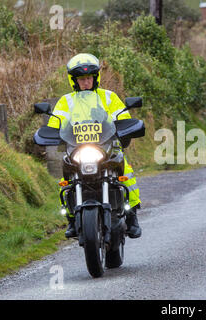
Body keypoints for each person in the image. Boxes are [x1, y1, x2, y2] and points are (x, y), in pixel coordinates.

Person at [47, 53, 142, 239]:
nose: (86, 82)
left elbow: (123, 119)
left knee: (127, 172)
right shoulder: (66, 101)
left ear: (95, 77)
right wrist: (49, 132)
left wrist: (127, 128)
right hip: (77, 149)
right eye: (81, 79)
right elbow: (55, 125)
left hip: (106, 147)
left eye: (89, 78)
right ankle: (72, 218)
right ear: (74, 80)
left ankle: (132, 216)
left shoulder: (108, 97)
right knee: (66, 176)